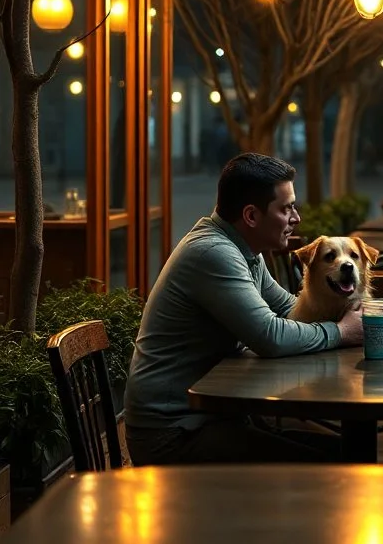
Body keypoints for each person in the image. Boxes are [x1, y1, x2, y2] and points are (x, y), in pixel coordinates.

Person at [124, 152, 363, 468]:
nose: (296, 218)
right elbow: (270, 335)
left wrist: (344, 308)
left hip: (211, 418)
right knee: (336, 464)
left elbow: (291, 308)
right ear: (251, 216)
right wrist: (341, 331)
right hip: (173, 436)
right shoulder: (214, 253)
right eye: (286, 208)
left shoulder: (245, 250)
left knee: (346, 453)